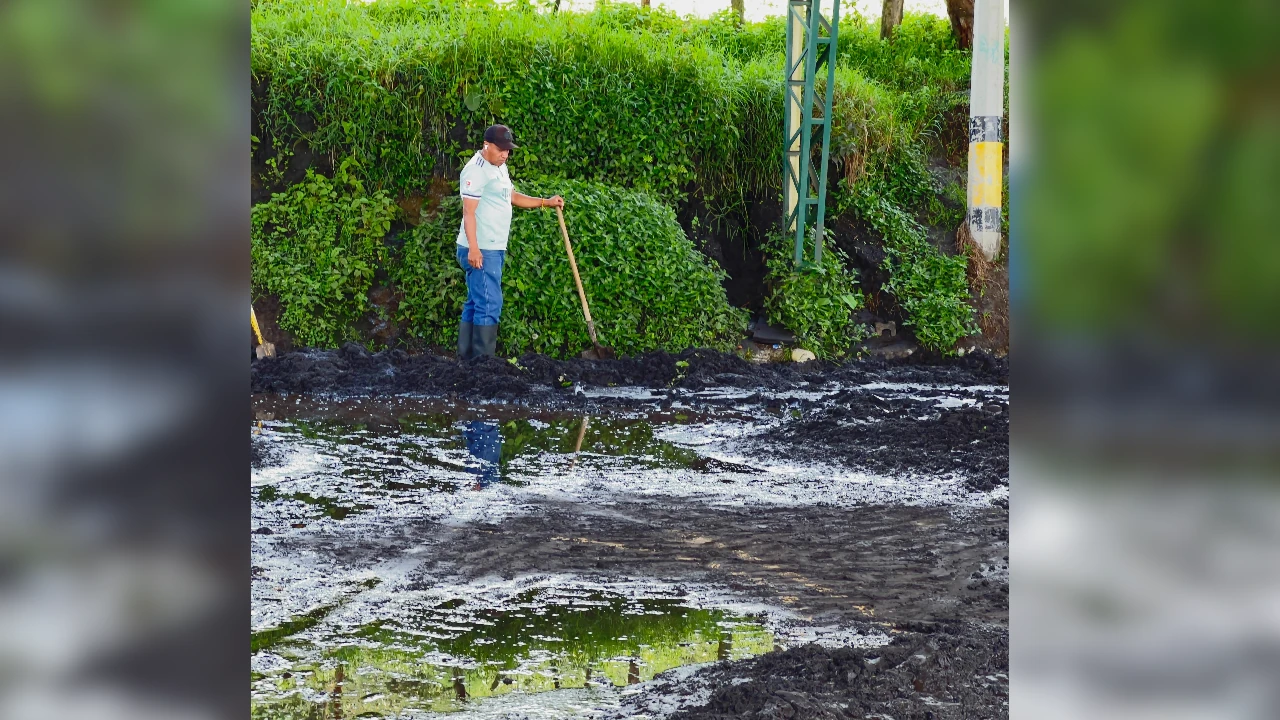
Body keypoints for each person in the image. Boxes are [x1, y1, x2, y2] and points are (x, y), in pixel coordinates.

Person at [456, 124, 564, 359]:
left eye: (508, 150)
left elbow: (512, 196)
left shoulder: (499, 167)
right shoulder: (475, 171)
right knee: (489, 304)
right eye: (501, 149)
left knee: (476, 302)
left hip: (493, 247)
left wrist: (546, 202)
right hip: (481, 248)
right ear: (487, 145)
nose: (506, 154)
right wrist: (474, 248)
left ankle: (465, 364)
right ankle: (482, 366)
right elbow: (468, 213)